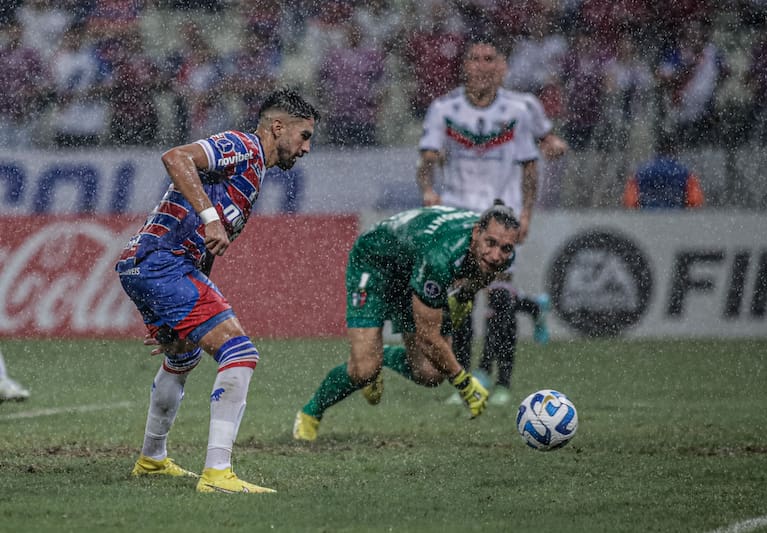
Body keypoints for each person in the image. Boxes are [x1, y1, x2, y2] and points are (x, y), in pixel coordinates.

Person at [116, 87, 319, 493]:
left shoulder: (255, 173)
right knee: (240, 352)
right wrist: (210, 217)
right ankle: (217, 474)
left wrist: (185, 315)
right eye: (304, 136)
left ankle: (152, 459)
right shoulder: (242, 146)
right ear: (277, 127)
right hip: (161, 260)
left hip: (148, 264)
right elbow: (176, 157)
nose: (306, 148)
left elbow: (207, 249)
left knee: (183, 355)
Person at [293, 202, 520, 442]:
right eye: (491, 243)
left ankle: (382, 356)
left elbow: (482, 272)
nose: (496, 255)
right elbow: (427, 336)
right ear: (476, 232)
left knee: (430, 373)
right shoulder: (440, 258)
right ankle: (310, 413)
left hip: (412, 265)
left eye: (505, 248)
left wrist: (465, 295)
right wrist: (464, 382)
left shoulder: (496, 252)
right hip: (375, 261)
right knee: (365, 369)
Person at [415, 33, 550, 407]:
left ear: (503, 67)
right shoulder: (444, 109)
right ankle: (469, 379)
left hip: (501, 213)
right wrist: (427, 188)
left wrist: (525, 212)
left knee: (500, 298)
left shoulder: (518, 112)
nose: (482, 66)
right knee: (461, 301)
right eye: (475, 58)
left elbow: (530, 166)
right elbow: (425, 159)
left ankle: (501, 380)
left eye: (490, 58)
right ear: (465, 65)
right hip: (458, 217)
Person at [622, 133, 704, 209]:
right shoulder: (685, 173)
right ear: (674, 149)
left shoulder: (641, 172)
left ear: (656, 149)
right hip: (677, 219)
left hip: (646, 219)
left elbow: (630, 201)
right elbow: (694, 201)